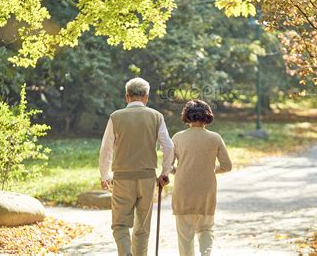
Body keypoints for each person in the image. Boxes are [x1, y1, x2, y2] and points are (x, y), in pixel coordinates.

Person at [99, 77, 173, 256]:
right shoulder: (156, 116)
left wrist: (104, 175)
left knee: (120, 225)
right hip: (147, 178)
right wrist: (164, 172)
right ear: (146, 97)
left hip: (122, 178)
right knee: (142, 227)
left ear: (127, 97)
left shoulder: (116, 117)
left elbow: (106, 148)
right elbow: (169, 146)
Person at [172, 99, 232, 256]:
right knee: (206, 229)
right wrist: (210, 169)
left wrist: (180, 170)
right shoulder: (215, 138)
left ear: (187, 116)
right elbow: (227, 166)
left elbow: (168, 166)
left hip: (183, 190)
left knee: (185, 235)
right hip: (206, 190)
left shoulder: (177, 138)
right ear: (207, 116)